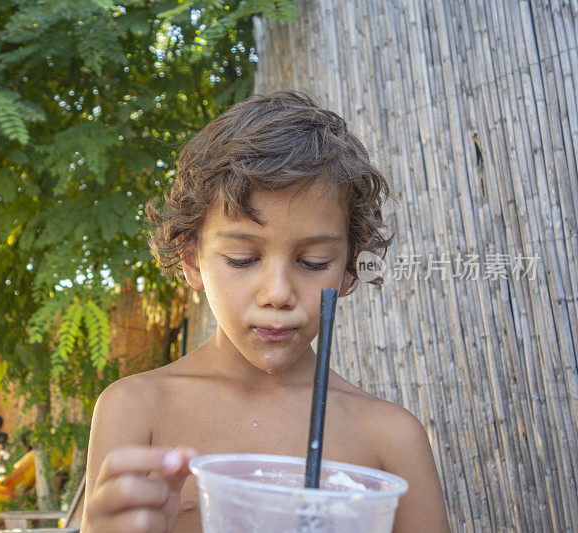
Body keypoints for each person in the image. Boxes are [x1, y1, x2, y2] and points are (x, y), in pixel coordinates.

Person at [82, 91, 450, 532]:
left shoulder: (391, 439)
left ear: (349, 269)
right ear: (192, 259)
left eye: (314, 262)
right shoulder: (135, 410)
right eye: (242, 258)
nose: (278, 293)